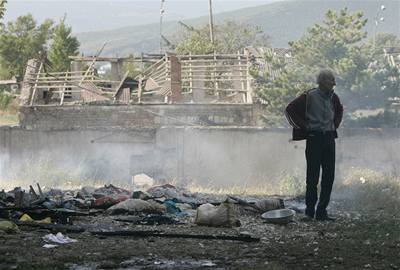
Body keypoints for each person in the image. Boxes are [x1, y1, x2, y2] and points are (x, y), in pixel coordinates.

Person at [285, 69, 343, 221]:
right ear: (322, 82)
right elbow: (289, 110)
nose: (334, 83)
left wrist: (335, 124)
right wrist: (304, 127)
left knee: (329, 176)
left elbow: (339, 111)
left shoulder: (333, 97)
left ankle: (322, 212)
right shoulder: (309, 96)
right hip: (314, 138)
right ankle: (310, 212)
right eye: (331, 80)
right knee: (312, 177)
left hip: (329, 138)